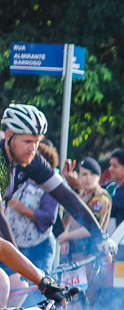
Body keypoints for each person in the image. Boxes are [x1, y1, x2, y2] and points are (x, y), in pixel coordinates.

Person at [0, 104, 112, 260]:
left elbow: (66, 198)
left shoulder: (33, 161)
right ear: (9, 135)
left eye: (36, 141)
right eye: (27, 141)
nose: (32, 148)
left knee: (18, 282)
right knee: (7, 283)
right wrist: (19, 264)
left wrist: (100, 238)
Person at [6, 140, 59, 275]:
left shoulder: (49, 187)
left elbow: (49, 217)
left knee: (36, 289)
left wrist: (24, 209)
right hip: (15, 245)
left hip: (37, 247)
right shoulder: (23, 179)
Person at [58, 157, 112, 260]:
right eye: (84, 174)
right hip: (74, 253)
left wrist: (66, 236)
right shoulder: (81, 195)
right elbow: (70, 220)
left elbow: (92, 228)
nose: (88, 178)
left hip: (90, 254)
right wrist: (66, 237)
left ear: (99, 177)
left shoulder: (99, 198)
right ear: (79, 176)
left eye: (92, 174)